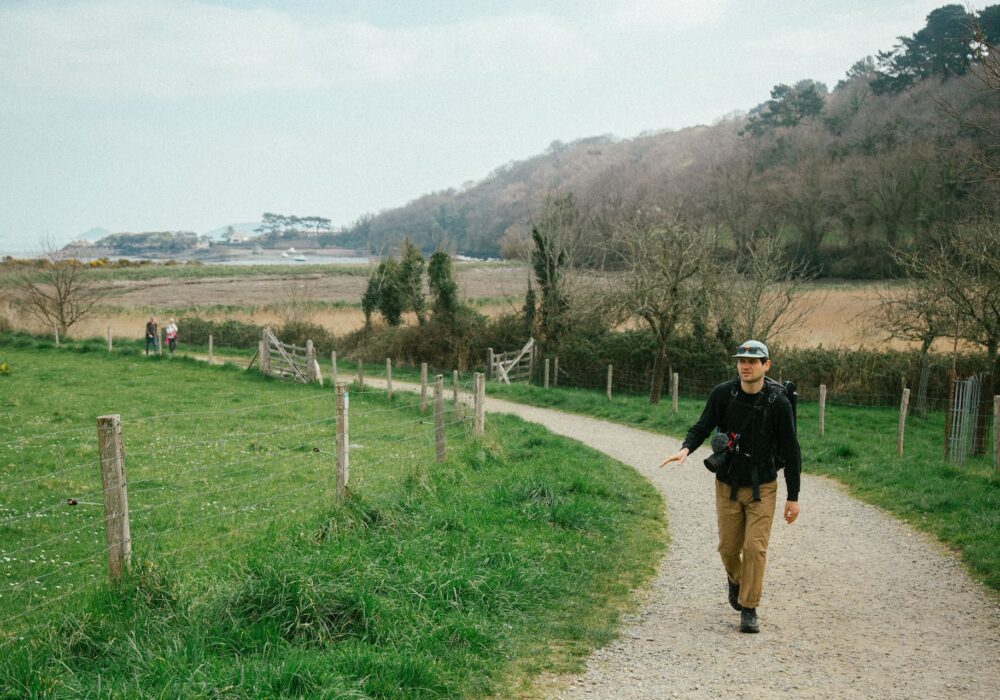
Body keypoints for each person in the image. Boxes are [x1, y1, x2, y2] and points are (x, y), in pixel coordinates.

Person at [660, 339, 800, 633]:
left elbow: (791, 451)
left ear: (766, 365)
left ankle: (749, 608)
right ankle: (736, 581)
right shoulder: (723, 394)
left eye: (753, 361)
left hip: (763, 486)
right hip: (727, 484)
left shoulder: (778, 402)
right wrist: (685, 449)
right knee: (727, 548)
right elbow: (702, 426)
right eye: (741, 361)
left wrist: (793, 497)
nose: (746, 366)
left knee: (754, 548)